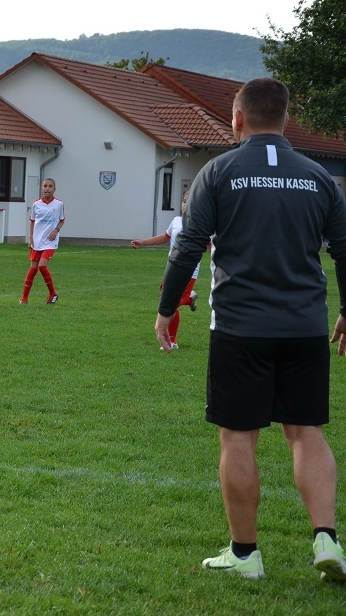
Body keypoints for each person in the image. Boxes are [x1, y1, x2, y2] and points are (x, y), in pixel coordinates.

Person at [156, 77, 346, 580]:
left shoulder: (218, 172)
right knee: (306, 432)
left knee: (238, 438)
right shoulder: (320, 177)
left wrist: (167, 307)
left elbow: (189, 245)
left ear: (237, 118)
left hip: (241, 328)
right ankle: (326, 538)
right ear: (286, 119)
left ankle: (245, 555)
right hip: (305, 327)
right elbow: (345, 249)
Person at [131, 191, 199, 349]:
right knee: (167, 300)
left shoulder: (200, 223)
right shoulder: (176, 221)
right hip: (172, 268)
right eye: (183, 201)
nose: (185, 205)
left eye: (188, 201)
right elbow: (165, 237)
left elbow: (210, 246)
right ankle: (188, 301)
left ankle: (173, 340)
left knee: (171, 304)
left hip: (190, 270)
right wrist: (143, 243)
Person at [21, 178, 64, 304]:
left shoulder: (59, 204)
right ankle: (24, 298)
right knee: (33, 268)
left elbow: (62, 220)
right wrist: (30, 238)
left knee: (42, 266)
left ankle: (53, 293)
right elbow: (32, 222)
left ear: (54, 189)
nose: (47, 188)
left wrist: (56, 230)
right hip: (37, 241)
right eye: (45, 186)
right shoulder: (36, 204)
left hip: (50, 241)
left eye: (50, 186)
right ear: (42, 188)